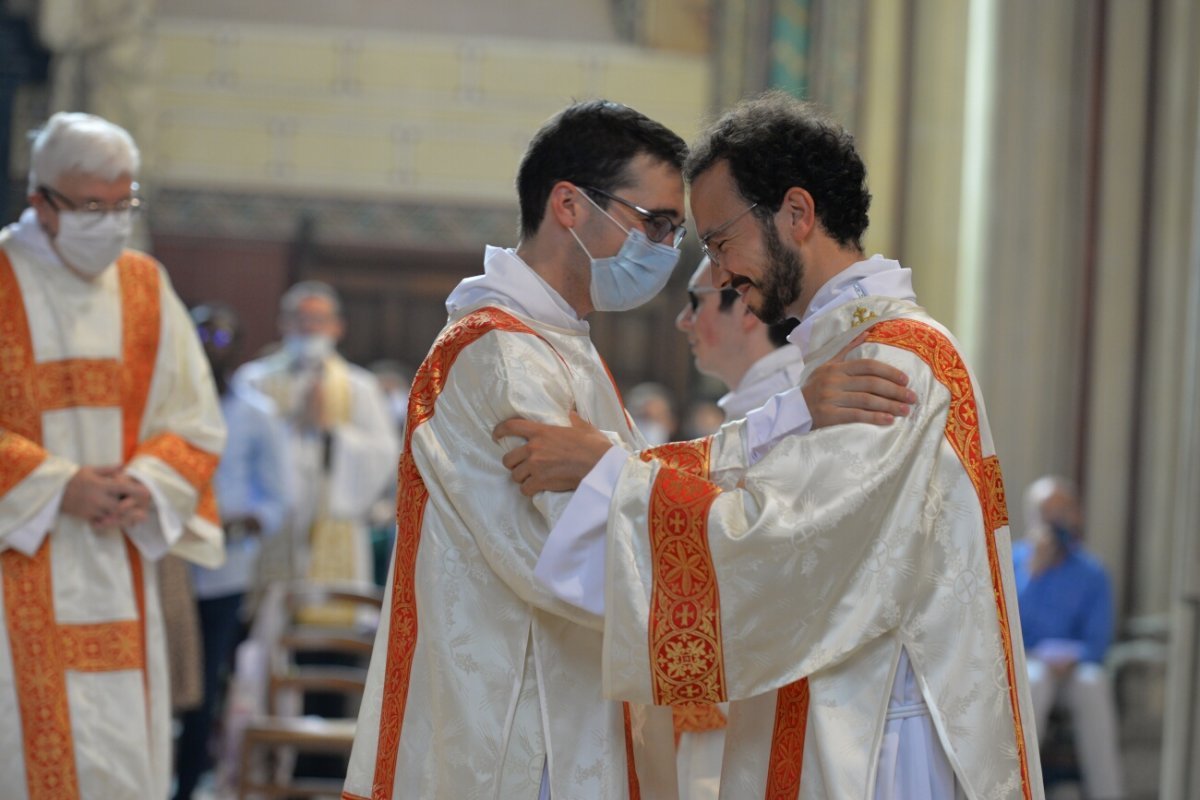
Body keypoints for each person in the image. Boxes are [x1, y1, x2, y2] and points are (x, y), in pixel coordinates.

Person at [341, 99, 911, 800]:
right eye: (658, 223)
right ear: (571, 206)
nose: (670, 250)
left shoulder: (554, 344)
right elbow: (576, 544)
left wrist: (785, 417)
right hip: (518, 738)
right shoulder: (499, 354)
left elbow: (620, 486)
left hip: (569, 711)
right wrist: (780, 435)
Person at [499, 92, 1044, 799]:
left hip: (880, 740)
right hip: (844, 718)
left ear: (796, 213)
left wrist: (609, 476)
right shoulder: (849, 354)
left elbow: (781, 544)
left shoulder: (895, 362)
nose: (718, 274)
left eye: (721, 241)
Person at [0, 111, 225, 799]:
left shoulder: (144, 285)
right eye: (91, 206)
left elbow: (196, 419)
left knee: (121, 752)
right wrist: (54, 484)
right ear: (41, 201)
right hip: (17, 562)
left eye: (122, 203)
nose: (110, 221)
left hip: (118, 557)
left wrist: (149, 483)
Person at [671, 256, 804, 800]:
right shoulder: (761, 409)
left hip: (762, 685)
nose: (683, 320)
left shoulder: (794, 410)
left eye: (695, 301)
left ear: (745, 306)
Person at [173, 303, 292, 800]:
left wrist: (253, 518)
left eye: (222, 339)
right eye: (202, 336)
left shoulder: (256, 413)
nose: (210, 348)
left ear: (238, 348)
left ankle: (187, 784)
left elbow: (279, 492)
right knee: (160, 675)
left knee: (205, 678)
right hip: (166, 562)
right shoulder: (166, 403)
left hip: (225, 565)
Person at [235, 281, 398, 624]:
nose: (309, 328)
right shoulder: (253, 382)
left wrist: (330, 433)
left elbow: (384, 453)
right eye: (300, 318)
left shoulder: (360, 386)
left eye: (318, 319)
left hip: (333, 515)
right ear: (283, 324)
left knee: (327, 636)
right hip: (271, 526)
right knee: (262, 633)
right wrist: (292, 426)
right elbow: (236, 450)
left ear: (337, 326)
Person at [1013, 475, 1124, 799]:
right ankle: (1020, 790)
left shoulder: (1092, 572)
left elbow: (1098, 641)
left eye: (1063, 510)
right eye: (1046, 511)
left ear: (1076, 516)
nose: (1055, 519)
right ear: (1031, 517)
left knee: (1094, 683)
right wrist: (1032, 574)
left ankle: (1108, 793)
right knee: (1033, 681)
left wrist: (1073, 658)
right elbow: (1003, 629)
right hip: (1029, 667)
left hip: (1074, 672)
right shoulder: (1011, 562)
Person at [677, 255, 803, 421]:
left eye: (696, 302)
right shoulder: (772, 403)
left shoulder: (787, 410)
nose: (682, 322)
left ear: (749, 310)